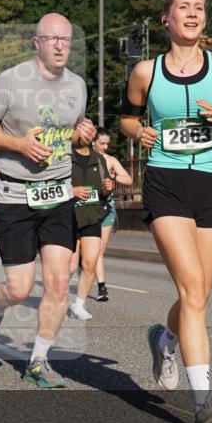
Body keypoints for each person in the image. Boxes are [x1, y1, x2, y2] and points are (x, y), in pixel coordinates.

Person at [119, 0, 212, 423]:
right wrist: (138, 132)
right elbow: (127, 117)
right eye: (184, 7)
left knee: (198, 295)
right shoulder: (146, 71)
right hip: (166, 182)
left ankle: (165, 340)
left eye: (199, 7)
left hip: (211, 183)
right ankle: (204, 404)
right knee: (192, 288)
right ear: (167, 18)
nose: (193, 13)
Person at [0, 12, 96, 389]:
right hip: (15, 194)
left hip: (58, 193)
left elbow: (72, 132)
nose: (60, 45)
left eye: (66, 40)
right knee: (20, 288)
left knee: (58, 283)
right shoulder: (11, 81)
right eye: (52, 39)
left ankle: (38, 362)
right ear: (37, 43)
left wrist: (82, 134)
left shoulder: (77, 85)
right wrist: (19, 145)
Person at [67, 138, 109, 320]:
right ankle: (54, 297)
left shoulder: (98, 159)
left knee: (90, 263)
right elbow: (51, 184)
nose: (86, 133)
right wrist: (72, 191)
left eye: (90, 130)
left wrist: (108, 188)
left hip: (92, 216)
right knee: (69, 267)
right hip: (68, 216)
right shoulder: (64, 156)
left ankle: (78, 305)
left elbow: (103, 190)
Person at [92, 129, 132, 301]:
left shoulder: (110, 160)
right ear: (93, 142)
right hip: (85, 208)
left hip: (106, 208)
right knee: (84, 251)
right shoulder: (82, 158)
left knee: (98, 251)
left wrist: (114, 179)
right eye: (102, 143)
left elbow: (129, 180)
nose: (105, 147)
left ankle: (102, 287)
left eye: (107, 143)